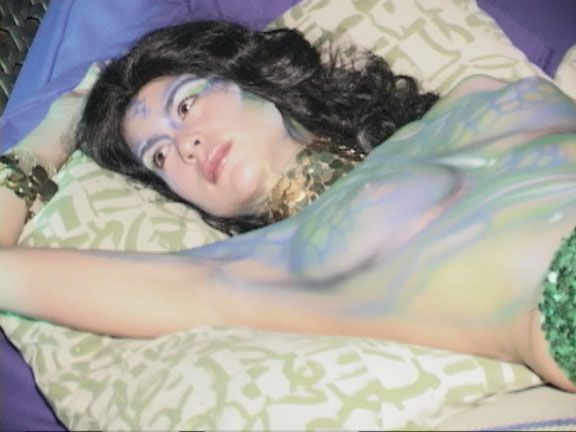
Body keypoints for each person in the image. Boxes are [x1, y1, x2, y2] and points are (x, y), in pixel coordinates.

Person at [0, 20, 575, 394]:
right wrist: (47, 138)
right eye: (160, 156)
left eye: (187, 104)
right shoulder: (257, 271)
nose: (185, 144)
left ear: (248, 78)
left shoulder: (477, 94)